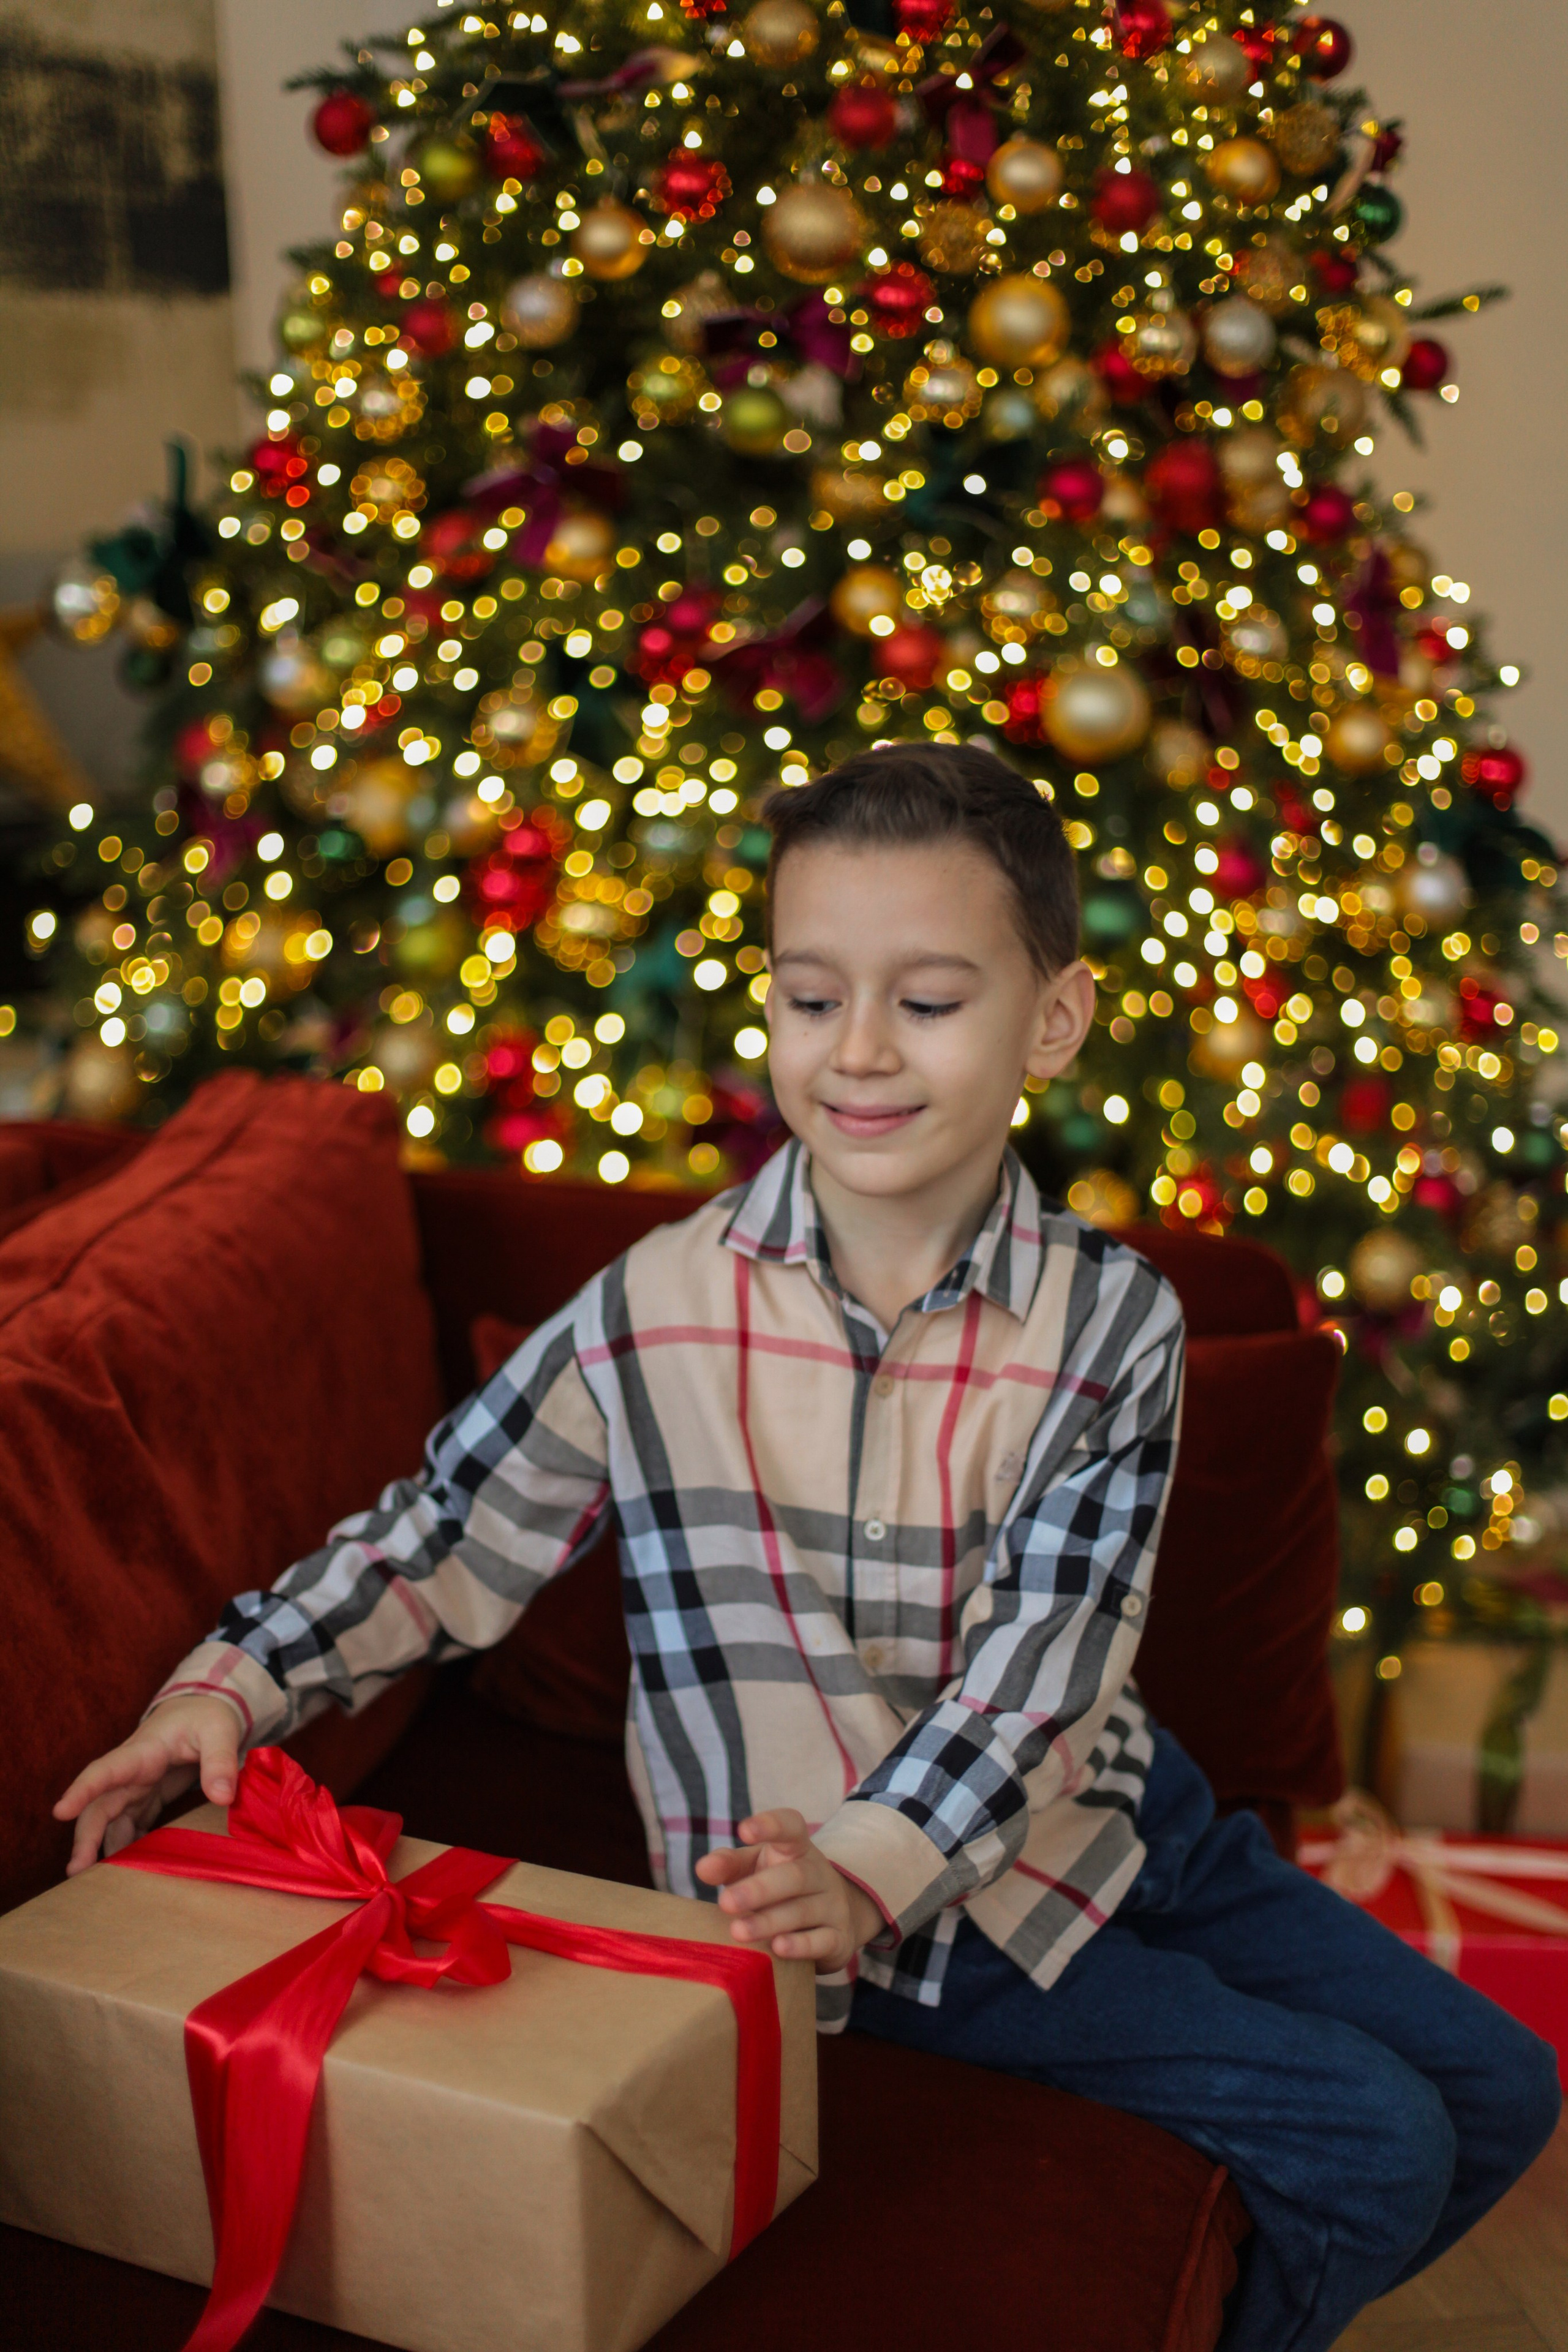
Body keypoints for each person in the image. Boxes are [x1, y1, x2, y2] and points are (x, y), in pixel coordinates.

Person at [57, 744, 1556, 2350]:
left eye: (927, 1002)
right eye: (810, 996)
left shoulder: (1108, 1321)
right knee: (1375, 2135)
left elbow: (1048, 1671)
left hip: (1114, 1812)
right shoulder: (658, 1309)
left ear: (1052, 1020)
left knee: (1504, 2079)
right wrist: (234, 1684)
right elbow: (443, 1538)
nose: (859, 1055)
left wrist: (892, 1843)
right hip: (881, 1920)